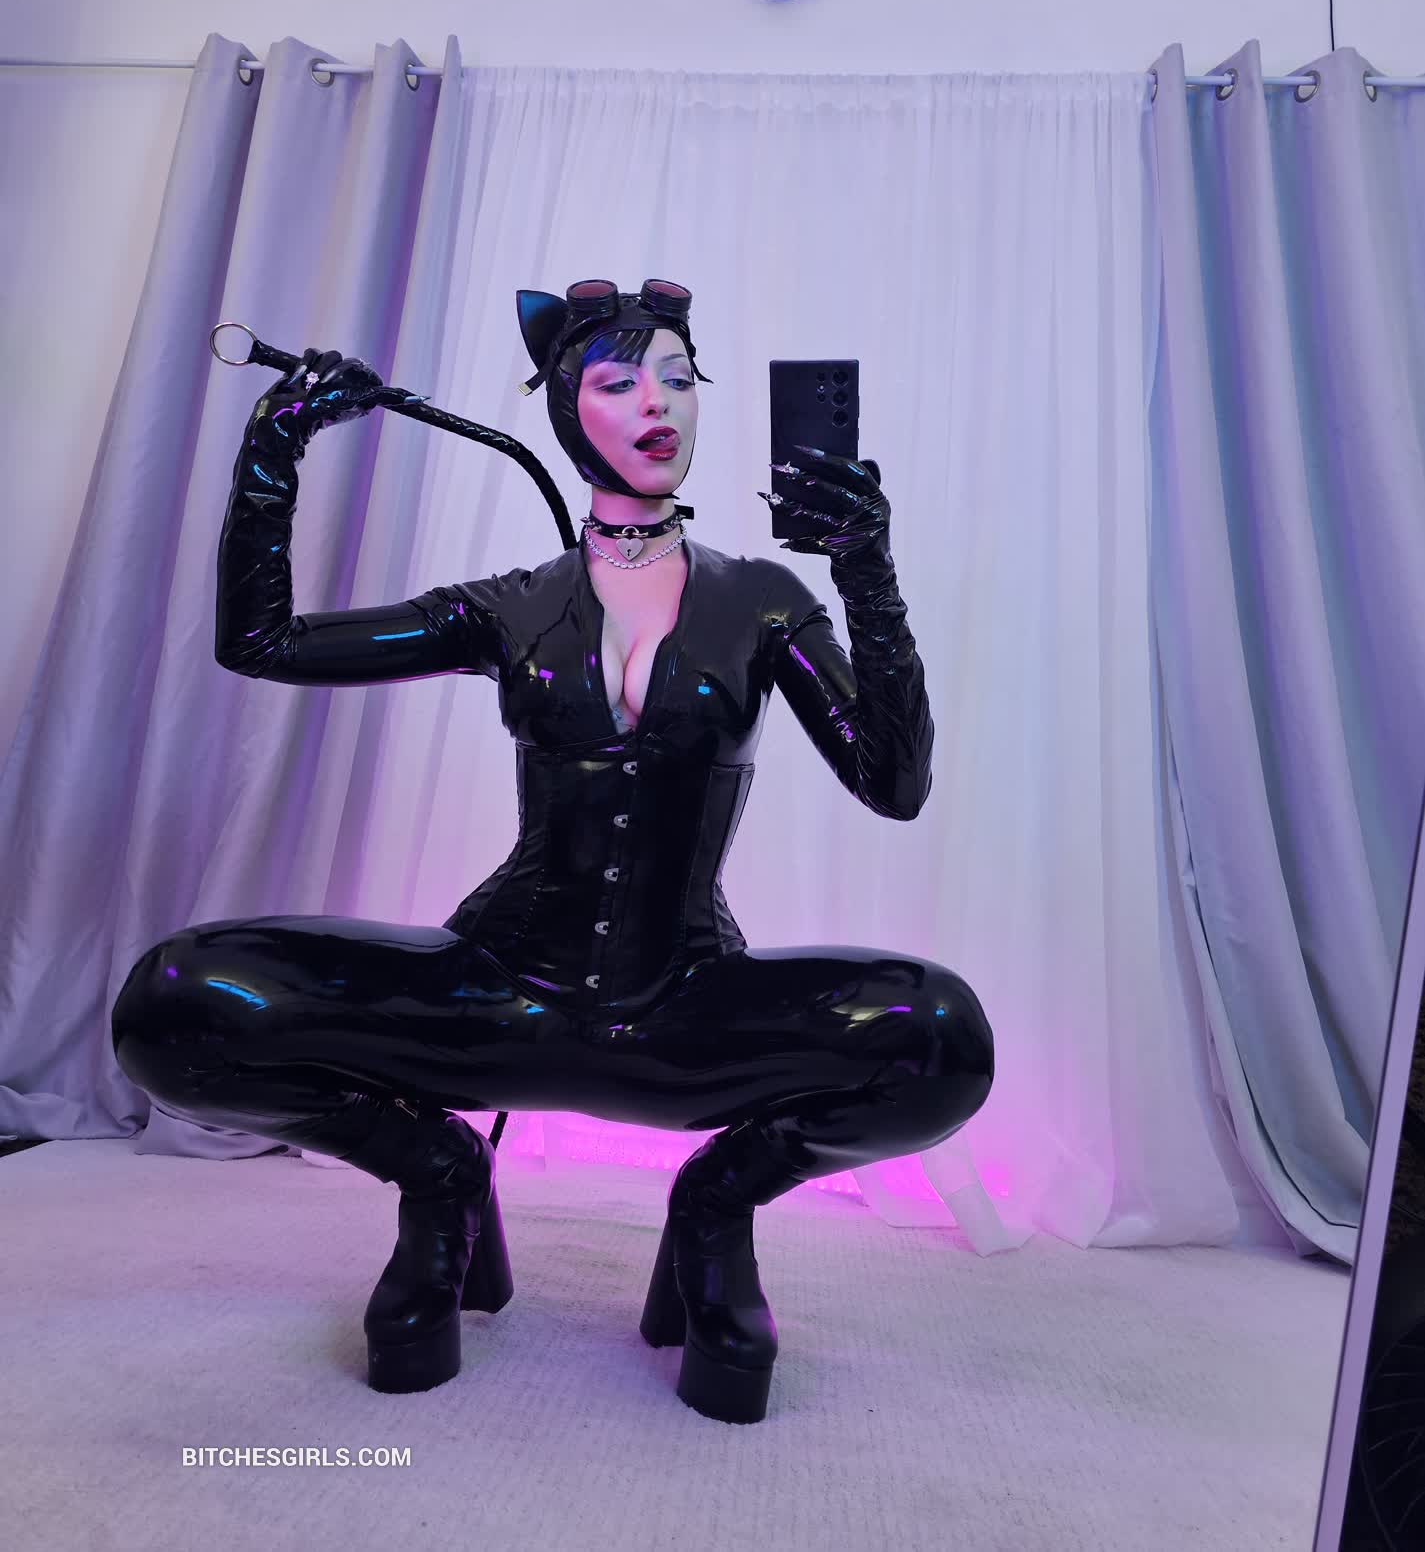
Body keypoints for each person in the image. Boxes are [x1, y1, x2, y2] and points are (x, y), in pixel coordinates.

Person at [110, 277, 994, 1425]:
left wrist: (866, 568)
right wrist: (276, 446)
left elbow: (895, 782)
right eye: (620, 381)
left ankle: (718, 1204)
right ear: (568, 412)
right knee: (175, 1003)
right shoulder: (510, 606)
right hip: (496, 1001)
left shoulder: (764, 600)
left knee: (940, 1034)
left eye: (678, 377)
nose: (657, 402)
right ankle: (436, 1174)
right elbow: (263, 641)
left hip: (681, 1013)